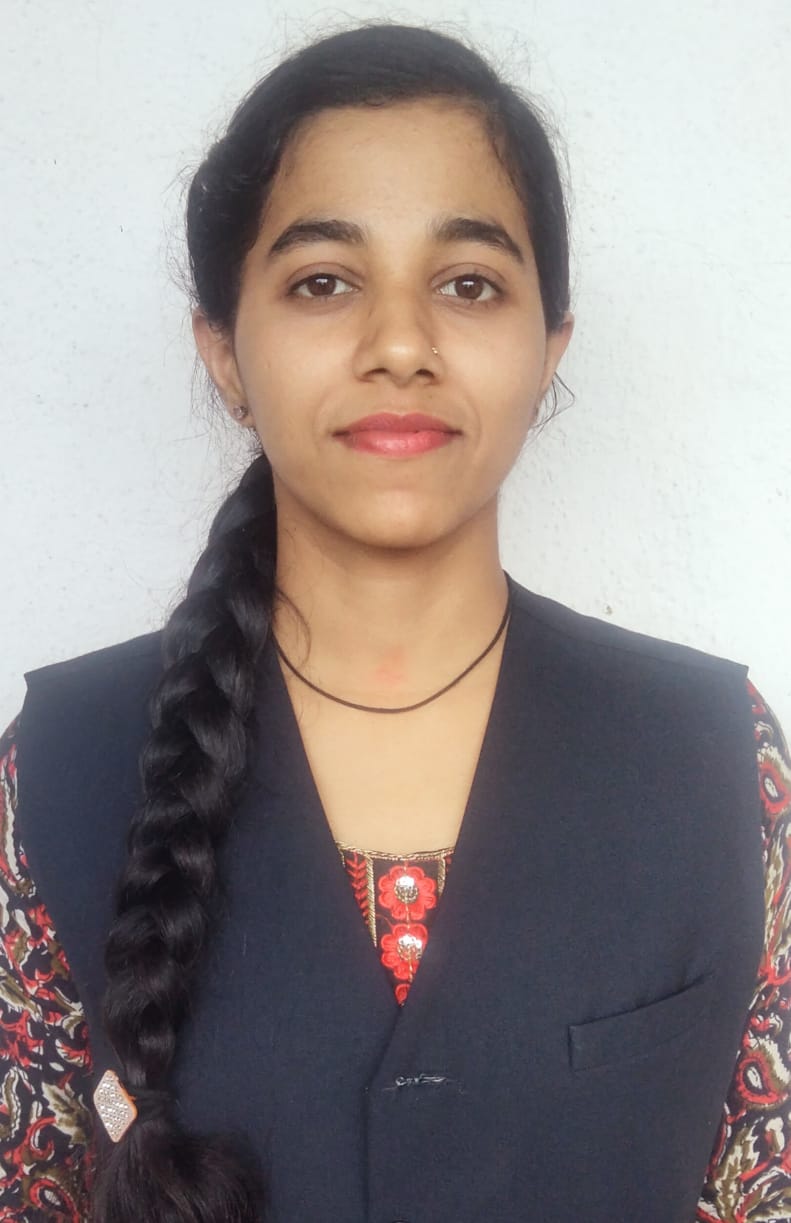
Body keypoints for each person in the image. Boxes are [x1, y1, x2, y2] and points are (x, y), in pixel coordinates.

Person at [1, 19, 788, 1223]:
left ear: (547, 346)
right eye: (323, 281)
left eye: (467, 283)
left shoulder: (718, 758)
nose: (402, 344)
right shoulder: (54, 772)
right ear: (224, 351)